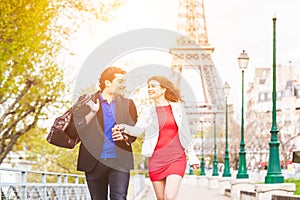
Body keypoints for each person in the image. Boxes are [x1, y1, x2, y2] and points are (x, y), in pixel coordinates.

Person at [112, 75, 200, 200]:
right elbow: (138, 131)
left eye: (153, 86)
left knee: (169, 197)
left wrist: (193, 157)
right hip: (156, 160)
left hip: (176, 158)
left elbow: (185, 133)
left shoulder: (177, 108)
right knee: (161, 198)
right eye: (148, 87)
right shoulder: (147, 111)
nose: (150, 89)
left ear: (163, 89)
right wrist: (123, 127)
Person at [70, 66, 138, 200]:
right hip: (94, 162)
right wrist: (92, 112)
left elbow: (134, 132)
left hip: (119, 161)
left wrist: (124, 136)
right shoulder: (86, 101)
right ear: (108, 82)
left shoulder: (128, 104)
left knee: (119, 198)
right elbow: (74, 129)